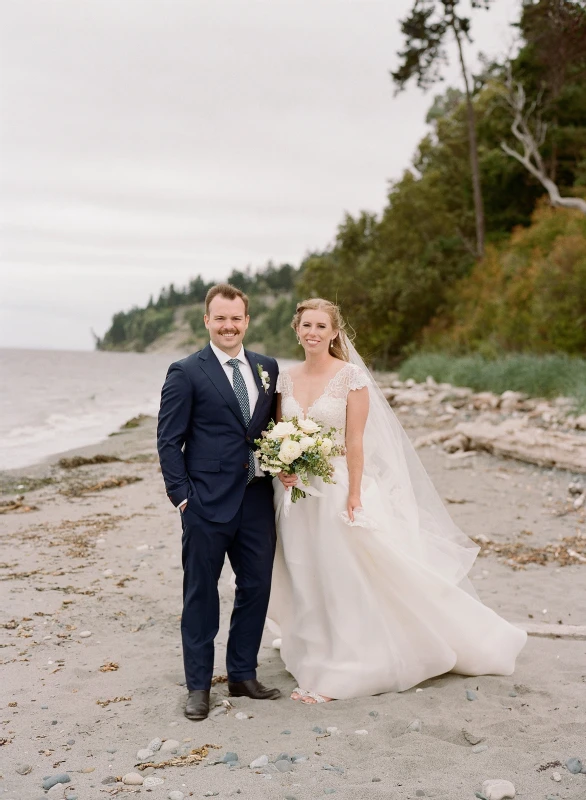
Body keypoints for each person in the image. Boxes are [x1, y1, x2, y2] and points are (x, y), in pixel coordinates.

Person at [269, 298, 527, 704]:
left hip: (337, 486)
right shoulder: (286, 378)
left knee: (344, 575)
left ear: (335, 332)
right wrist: (283, 466)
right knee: (306, 574)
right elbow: (283, 432)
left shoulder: (350, 377)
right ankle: (314, 651)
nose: (313, 332)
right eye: (307, 325)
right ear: (296, 329)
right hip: (297, 493)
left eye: (322, 326)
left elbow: (355, 442)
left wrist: (354, 495)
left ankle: (347, 665)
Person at [157, 283, 281, 721]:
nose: (229, 326)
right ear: (207, 321)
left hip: (256, 497)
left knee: (257, 587)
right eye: (220, 318)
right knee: (200, 596)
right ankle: (198, 686)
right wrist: (182, 498)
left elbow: (268, 431)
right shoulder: (186, 371)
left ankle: (242, 674)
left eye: (236, 318)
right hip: (205, 503)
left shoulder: (268, 368)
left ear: (247, 321)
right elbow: (169, 440)